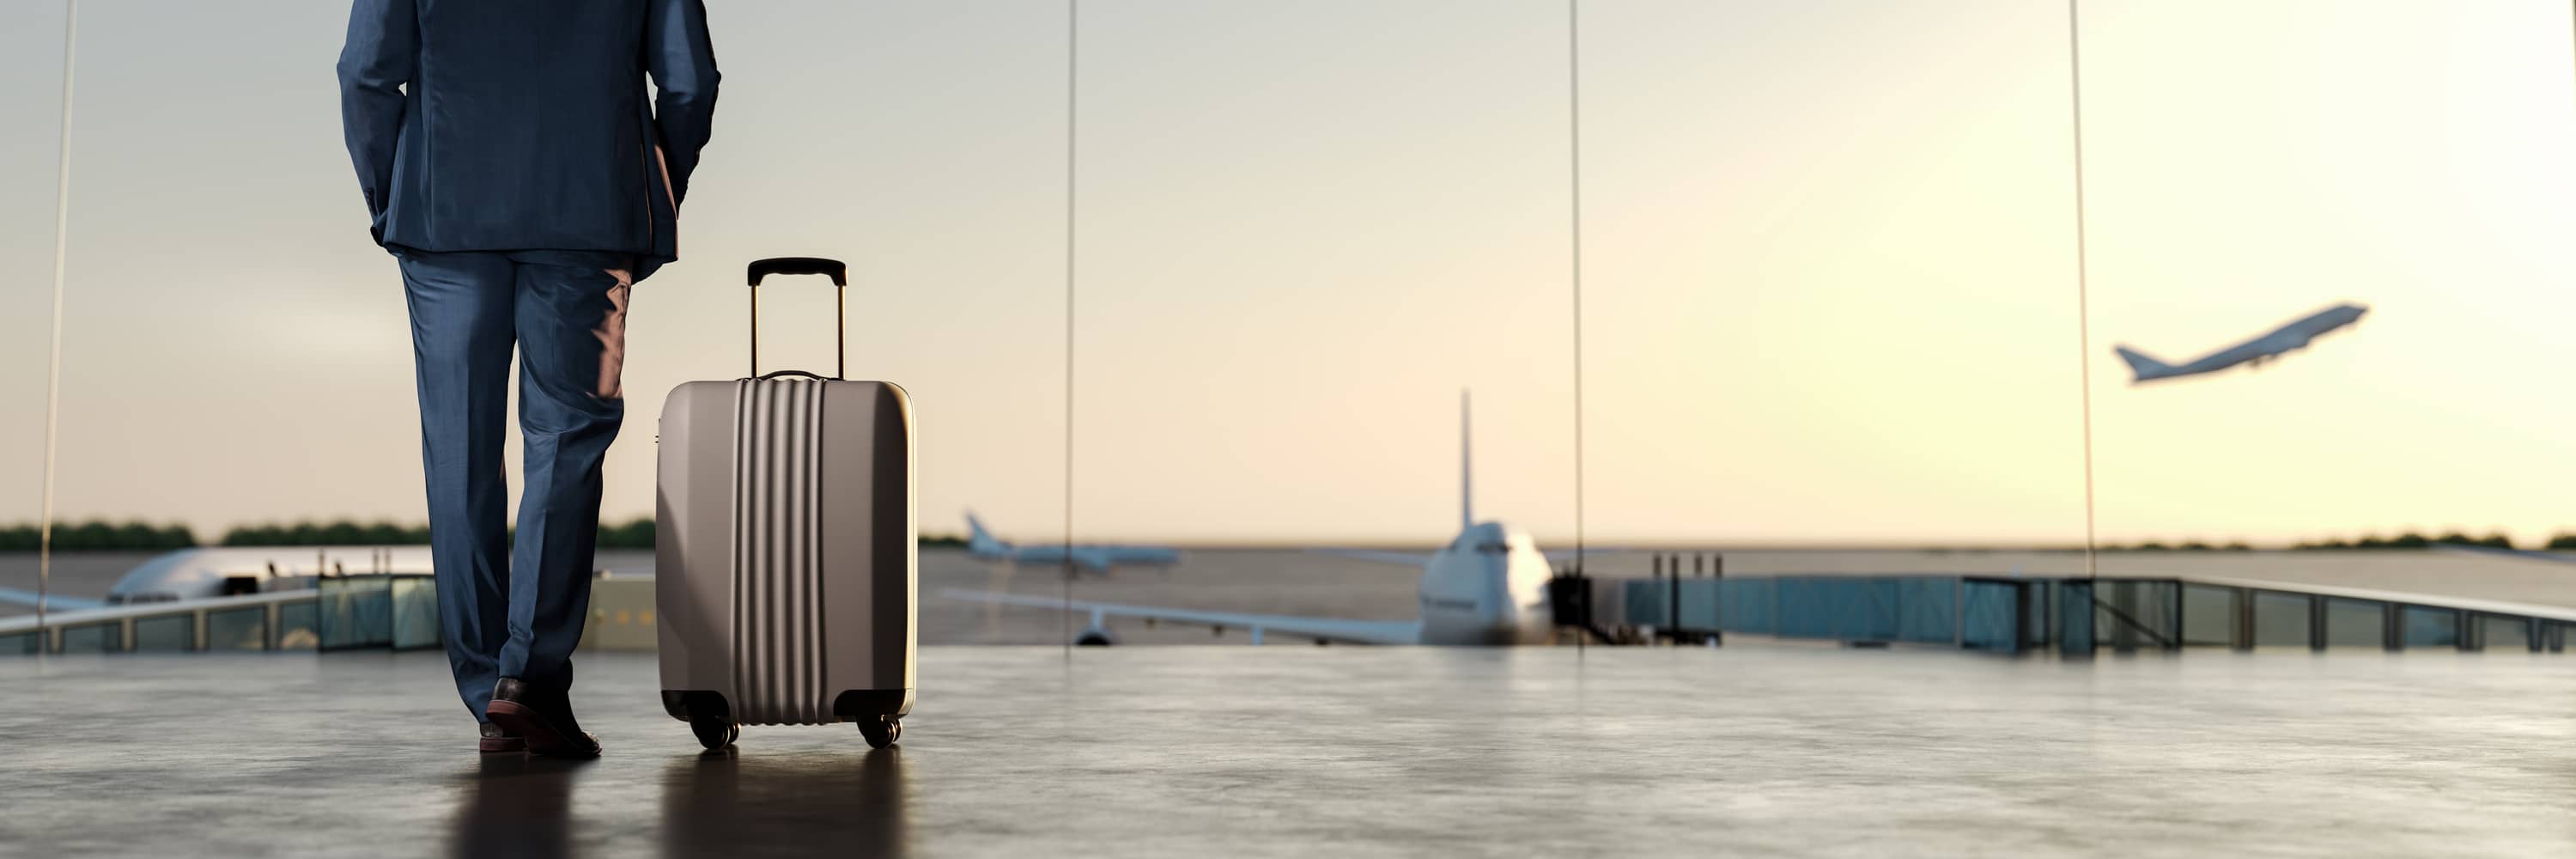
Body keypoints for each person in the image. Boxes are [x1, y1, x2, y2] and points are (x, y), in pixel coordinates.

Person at [337, 0, 720, 758]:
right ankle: (529, 683)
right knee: (567, 441)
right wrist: (647, 178)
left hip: (442, 215)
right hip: (589, 212)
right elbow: (688, 83)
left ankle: (488, 691)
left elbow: (366, 73)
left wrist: (392, 195)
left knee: (460, 452)